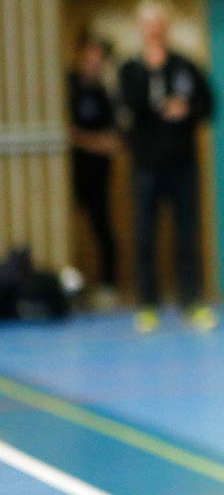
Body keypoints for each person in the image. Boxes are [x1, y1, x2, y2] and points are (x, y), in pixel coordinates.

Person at [118, 0, 216, 334]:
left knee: (187, 234)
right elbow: (129, 109)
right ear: (140, 28)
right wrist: (161, 108)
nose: (154, 28)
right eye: (148, 22)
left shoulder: (185, 66)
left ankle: (192, 301)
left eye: (159, 20)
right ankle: (147, 304)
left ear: (166, 25)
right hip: (146, 166)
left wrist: (186, 110)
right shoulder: (130, 69)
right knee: (145, 235)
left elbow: (208, 104)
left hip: (183, 164)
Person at [68, 33, 121, 299]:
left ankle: (107, 286)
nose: (94, 62)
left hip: (98, 174)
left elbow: (112, 143)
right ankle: (70, 288)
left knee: (102, 227)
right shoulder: (67, 85)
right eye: (90, 56)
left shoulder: (105, 95)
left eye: (99, 58)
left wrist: (80, 138)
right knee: (67, 229)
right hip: (68, 175)